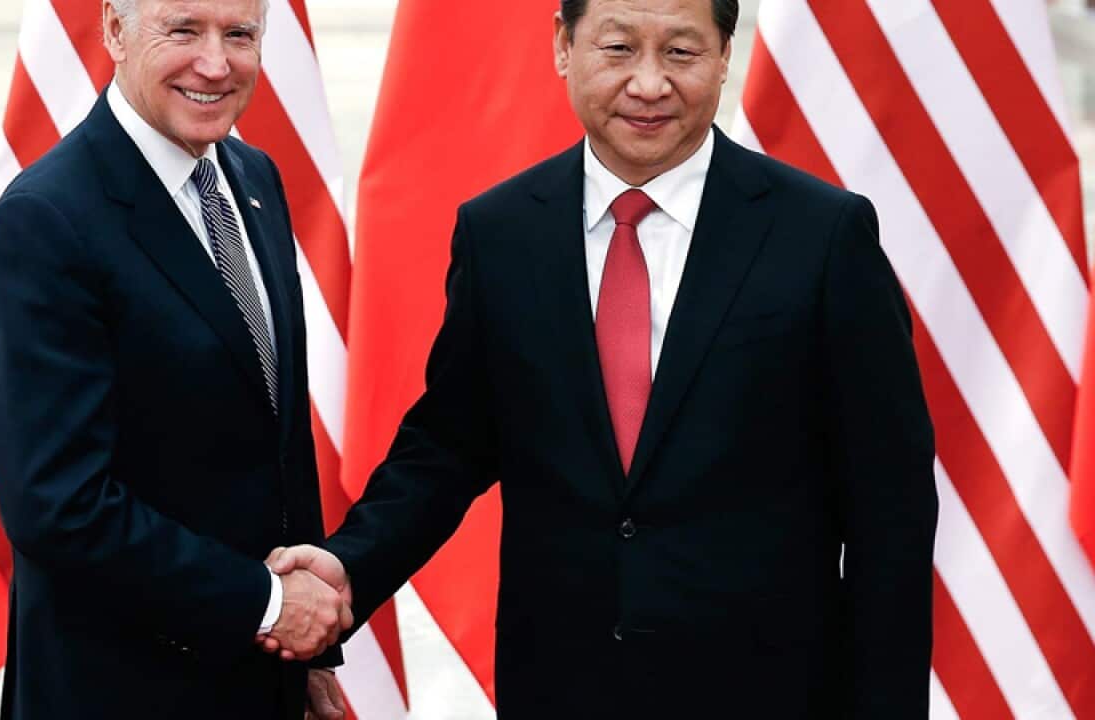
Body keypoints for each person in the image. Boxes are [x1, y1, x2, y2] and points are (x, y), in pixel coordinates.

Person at [265, 0, 938, 717]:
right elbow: (446, 449)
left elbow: (890, 509)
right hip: (561, 685)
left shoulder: (824, 235)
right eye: (618, 49)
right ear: (562, 45)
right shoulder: (500, 233)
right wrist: (347, 567)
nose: (649, 84)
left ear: (723, 55)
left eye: (680, 52)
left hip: (769, 691)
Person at [0, 0, 350, 717]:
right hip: (119, 690)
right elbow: (58, 505)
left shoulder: (253, 177)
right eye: (183, 29)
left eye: (240, 34)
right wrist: (267, 605)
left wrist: (305, 654)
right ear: (115, 29)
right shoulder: (46, 220)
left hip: (256, 678)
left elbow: (275, 438)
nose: (216, 63)